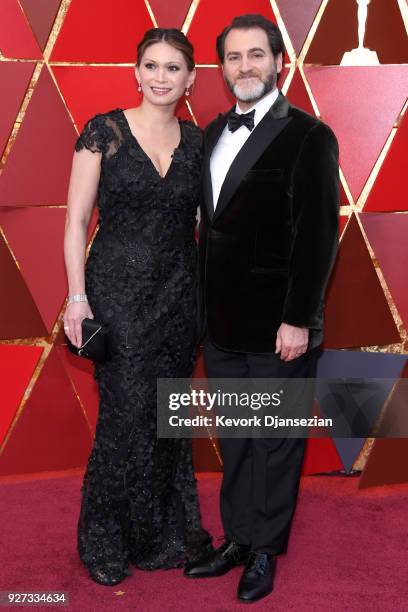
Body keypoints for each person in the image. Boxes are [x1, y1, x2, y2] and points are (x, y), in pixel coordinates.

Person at [184, 14, 340, 604]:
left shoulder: (308, 135)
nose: (244, 66)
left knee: (275, 441)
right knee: (239, 439)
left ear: (278, 61)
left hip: (280, 328)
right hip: (222, 326)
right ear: (220, 68)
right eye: (233, 57)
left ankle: (266, 552)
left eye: (256, 55)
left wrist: (299, 319)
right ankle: (238, 539)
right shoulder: (210, 133)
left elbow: (318, 237)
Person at [63, 28, 213, 587]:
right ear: (136, 72)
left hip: (178, 293)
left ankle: (159, 534)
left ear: (190, 79)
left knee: (165, 414)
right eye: (150, 66)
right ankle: (104, 537)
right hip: (116, 293)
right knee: (124, 412)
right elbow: (77, 222)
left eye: (173, 68)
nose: (160, 77)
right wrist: (77, 298)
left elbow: (203, 224)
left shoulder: (200, 143)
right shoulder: (104, 131)